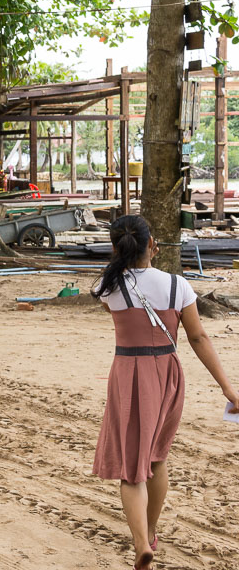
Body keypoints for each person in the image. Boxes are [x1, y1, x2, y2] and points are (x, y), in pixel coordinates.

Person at [91, 215, 239, 569]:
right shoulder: (178, 285)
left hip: (128, 372)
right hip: (168, 375)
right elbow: (198, 337)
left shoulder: (108, 287)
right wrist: (229, 389)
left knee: (132, 467)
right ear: (152, 244)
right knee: (157, 458)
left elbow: (112, 296)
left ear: (115, 247)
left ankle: (142, 543)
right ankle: (152, 529)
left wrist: (126, 262)